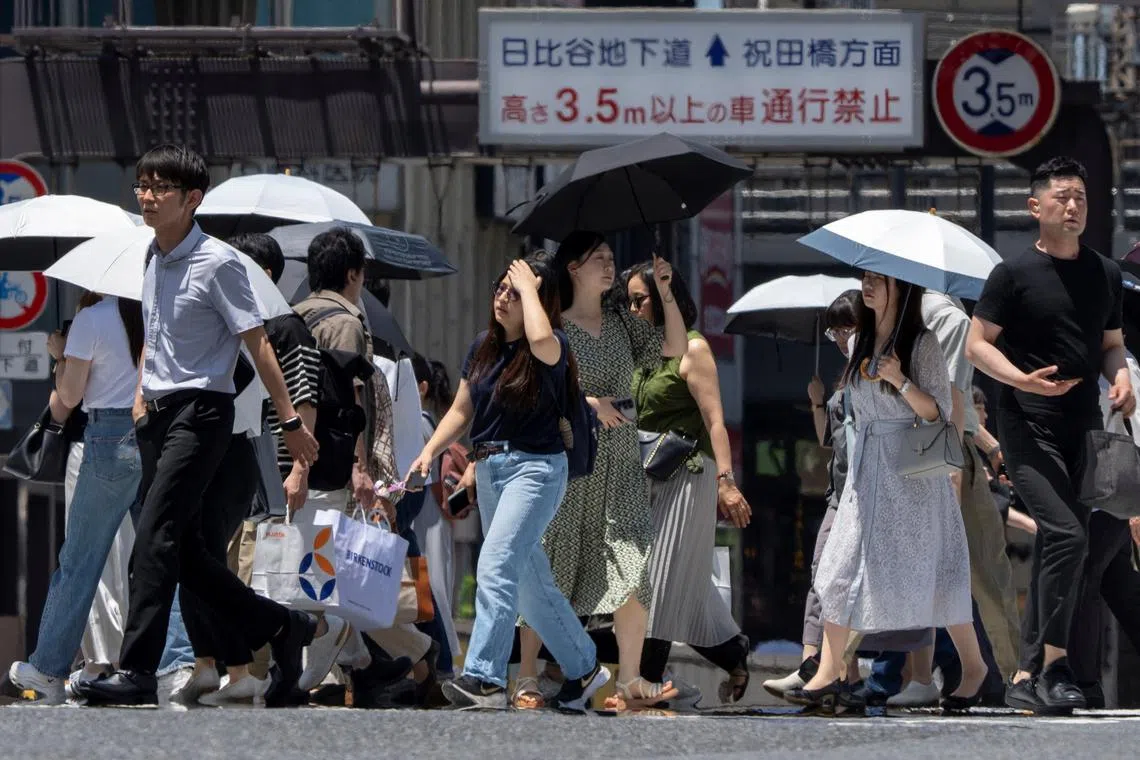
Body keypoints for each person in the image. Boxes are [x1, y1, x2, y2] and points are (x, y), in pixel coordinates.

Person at [75, 144, 323, 707]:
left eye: (161, 187)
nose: (147, 195)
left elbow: (257, 344)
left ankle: (138, 672)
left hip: (201, 414)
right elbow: (156, 338)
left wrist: (288, 422)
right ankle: (284, 628)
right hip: (158, 417)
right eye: (142, 184)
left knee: (154, 541)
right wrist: (140, 398)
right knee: (182, 553)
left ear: (193, 199)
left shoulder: (219, 262)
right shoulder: (152, 257)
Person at [966, 156, 1134, 714]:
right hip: (1025, 423)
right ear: (1035, 207)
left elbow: (1110, 343)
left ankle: (1023, 673)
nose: (1073, 205)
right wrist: (1018, 378)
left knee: (1059, 545)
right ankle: (1056, 665)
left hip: (1083, 425)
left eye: (1081, 197)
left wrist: (1123, 377)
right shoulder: (1011, 276)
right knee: (1067, 535)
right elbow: (977, 343)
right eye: (1062, 196)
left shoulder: (1105, 274)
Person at [408, 255, 610, 710]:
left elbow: (540, 337)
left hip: (536, 472)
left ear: (539, 301)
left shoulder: (552, 344)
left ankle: (485, 678)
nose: (503, 297)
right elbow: (462, 410)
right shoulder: (484, 345)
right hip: (494, 472)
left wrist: (532, 288)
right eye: (501, 287)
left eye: (516, 293)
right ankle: (584, 668)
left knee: (496, 565)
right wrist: (428, 452)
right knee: (529, 585)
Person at [788, 271, 987, 713]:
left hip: (912, 475)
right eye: (865, 277)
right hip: (867, 475)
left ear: (903, 287)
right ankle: (828, 670)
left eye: (879, 279)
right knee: (836, 568)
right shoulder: (862, 342)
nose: (867, 285)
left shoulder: (921, 344)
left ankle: (974, 668)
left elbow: (939, 409)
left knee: (941, 577)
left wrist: (899, 380)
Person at [516, 233, 686, 710]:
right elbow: (539, 391)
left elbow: (673, 347)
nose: (610, 267)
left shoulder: (621, 325)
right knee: (553, 563)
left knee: (633, 561)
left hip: (621, 458)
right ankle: (528, 675)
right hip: (572, 461)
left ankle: (630, 677)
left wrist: (665, 291)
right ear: (573, 269)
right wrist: (591, 404)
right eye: (599, 259)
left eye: (612, 258)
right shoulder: (553, 327)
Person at [623, 264, 752, 707]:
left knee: (656, 583)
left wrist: (727, 483)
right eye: (629, 301)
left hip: (688, 477)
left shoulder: (693, 350)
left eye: (639, 300)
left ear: (662, 301)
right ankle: (734, 652)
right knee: (688, 589)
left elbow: (716, 421)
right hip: (646, 479)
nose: (632, 308)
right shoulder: (641, 353)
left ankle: (648, 681)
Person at [8, 294, 144, 704]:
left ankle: (48, 667)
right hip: (156, 435)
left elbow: (68, 397)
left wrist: (62, 355)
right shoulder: (157, 315)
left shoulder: (93, 319)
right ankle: (180, 663)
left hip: (106, 438)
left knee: (81, 559)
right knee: (160, 554)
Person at [763, 290, 863, 698]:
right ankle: (826, 668)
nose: (840, 337)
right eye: (835, 329)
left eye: (847, 327)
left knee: (836, 577)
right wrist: (818, 403)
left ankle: (827, 667)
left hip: (861, 493)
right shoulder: (847, 375)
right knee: (828, 576)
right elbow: (828, 439)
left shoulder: (871, 372)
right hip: (840, 492)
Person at [411, 354, 464, 674]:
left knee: (431, 587)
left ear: (421, 388)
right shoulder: (427, 419)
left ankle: (442, 659)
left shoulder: (419, 421)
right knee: (431, 584)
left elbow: (422, 480)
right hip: (430, 517)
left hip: (425, 515)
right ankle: (438, 658)